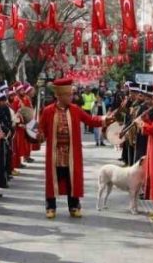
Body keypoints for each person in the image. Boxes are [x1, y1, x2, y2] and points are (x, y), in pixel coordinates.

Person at [37, 77, 111, 218]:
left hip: (71, 153)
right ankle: (50, 206)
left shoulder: (76, 110)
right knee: (53, 179)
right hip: (55, 153)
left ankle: (74, 206)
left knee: (72, 179)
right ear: (59, 96)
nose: (72, 97)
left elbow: (91, 120)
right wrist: (39, 135)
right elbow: (41, 131)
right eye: (68, 95)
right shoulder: (47, 111)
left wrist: (105, 119)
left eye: (71, 94)